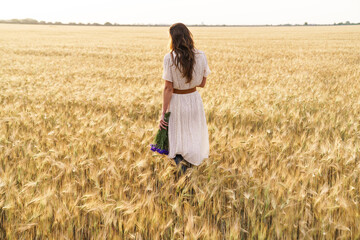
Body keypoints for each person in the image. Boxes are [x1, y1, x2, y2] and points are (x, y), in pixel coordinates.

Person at [159, 23, 211, 178]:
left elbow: (168, 88)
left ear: (172, 39)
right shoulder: (201, 55)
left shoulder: (169, 58)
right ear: (188, 36)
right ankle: (190, 175)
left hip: (177, 102)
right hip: (194, 100)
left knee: (176, 139)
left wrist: (163, 113)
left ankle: (182, 175)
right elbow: (202, 83)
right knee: (193, 137)